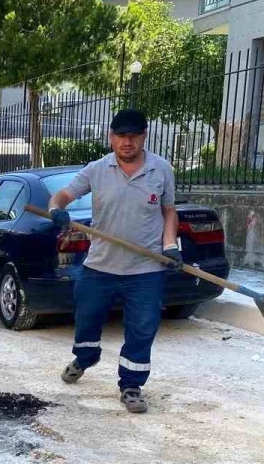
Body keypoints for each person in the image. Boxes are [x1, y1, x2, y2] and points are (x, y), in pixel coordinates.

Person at [47, 108, 181, 414]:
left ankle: (131, 385)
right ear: (111, 138)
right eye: (121, 136)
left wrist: (171, 245)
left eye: (134, 135)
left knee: (143, 328)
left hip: (146, 270)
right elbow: (61, 197)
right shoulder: (96, 169)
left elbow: (169, 211)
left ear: (144, 137)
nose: (128, 142)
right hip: (100, 266)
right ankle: (85, 357)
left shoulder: (161, 169)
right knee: (86, 318)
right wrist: (57, 210)